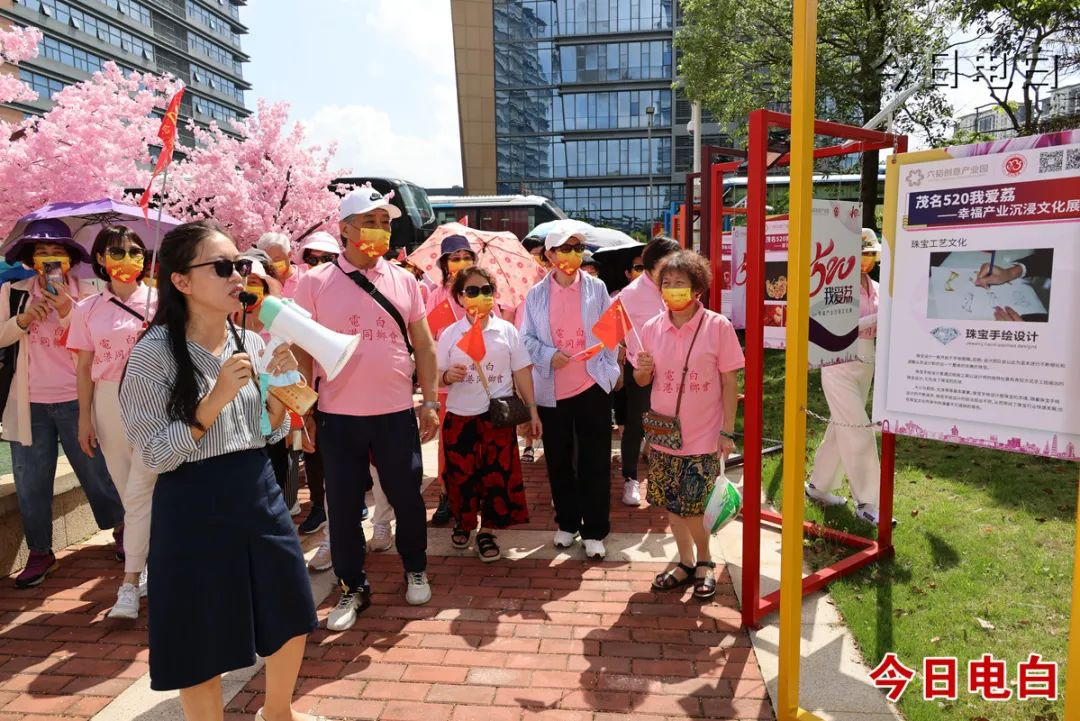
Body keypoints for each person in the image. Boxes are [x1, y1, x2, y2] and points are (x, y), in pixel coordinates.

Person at [118, 220, 317, 719]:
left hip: (257, 488)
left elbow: (265, 432)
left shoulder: (244, 339)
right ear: (181, 280)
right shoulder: (150, 355)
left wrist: (277, 402)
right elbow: (155, 455)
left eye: (241, 265)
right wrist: (213, 400)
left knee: (290, 606)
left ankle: (278, 712)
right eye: (223, 266)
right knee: (197, 635)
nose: (238, 276)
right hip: (191, 500)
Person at [293, 182, 440, 631]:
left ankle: (415, 567)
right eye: (369, 222)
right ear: (345, 229)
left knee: (406, 497)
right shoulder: (314, 282)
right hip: (338, 416)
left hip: (395, 412)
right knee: (341, 506)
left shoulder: (404, 280)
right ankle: (352, 585)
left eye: (385, 223)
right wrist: (304, 411)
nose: (380, 230)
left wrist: (430, 401)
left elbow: (424, 345)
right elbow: (300, 350)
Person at [1, 219, 124, 588]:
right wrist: (22, 320)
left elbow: (101, 340)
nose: (50, 259)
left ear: (70, 259)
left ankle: (122, 529)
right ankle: (40, 552)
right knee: (30, 482)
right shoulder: (13, 292)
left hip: (76, 399)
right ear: (30, 259)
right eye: (42, 253)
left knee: (97, 472)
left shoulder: (89, 293)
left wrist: (70, 311)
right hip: (29, 402)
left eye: (57, 252)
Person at [635, 250, 743, 600]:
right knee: (672, 503)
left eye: (679, 283)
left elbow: (729, 381)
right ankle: (684, 562)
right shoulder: (652, 328)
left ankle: (705, 561)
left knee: (696, 506)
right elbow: (641, 381)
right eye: (666, 283)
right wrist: (642, 371)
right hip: (664, 435)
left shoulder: (717, 326)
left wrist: (727, 430)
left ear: (697, 288)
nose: (671, 289)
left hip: (703, 434)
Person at [68, 226, 157, 618]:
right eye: (117, 252)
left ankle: (132, 579)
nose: (127, 259)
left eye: (135, 251)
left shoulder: (161, 302)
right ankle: (144, 568)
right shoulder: (86, 308)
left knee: (148, 489)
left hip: (155, 400)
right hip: (108, 400)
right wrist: (84, 418)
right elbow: (83, 367)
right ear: (101, 259)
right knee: (127, 490)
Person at [521, 224, 620, 560]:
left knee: (595, 460)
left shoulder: (596, 287)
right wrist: (549, 355)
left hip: (592, 384)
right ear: (549, 255)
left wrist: (609, 370)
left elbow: (611, 331)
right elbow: (525, 339)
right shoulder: (536, 295)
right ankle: (567, 523)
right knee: (559, 460)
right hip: (552, 389)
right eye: (565, 248)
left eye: (578, 248)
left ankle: (595, 530)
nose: (573, 255)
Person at [438, 267, 539, 561]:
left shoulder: (506, 331)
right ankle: (464, 522)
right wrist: (446, 377)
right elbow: (433, 375)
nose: (480, 296)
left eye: (486, 290)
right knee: (461, 476)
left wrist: (532, 411)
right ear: (460, 297)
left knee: (496, 476)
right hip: (460, 417)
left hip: (498, 418)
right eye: (472, 291)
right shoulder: (450, 334)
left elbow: (521, 371)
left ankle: (488, 531)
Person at [806, 229, 894, 526]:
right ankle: (869, 501)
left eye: (872, 255)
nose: (867, 260)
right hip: (838, 360)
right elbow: (837, 326)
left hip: (867, 359)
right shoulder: (836, 285)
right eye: (863, 254)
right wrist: (876, 319)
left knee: (841, 425)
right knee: (858, 428)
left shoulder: (878, 287)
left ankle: (818, 485)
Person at [616, 237, 680, 506]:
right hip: (641, 369)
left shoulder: (676, 287)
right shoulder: (630, 294)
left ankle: (665, 479)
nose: (673, 270)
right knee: (636, 425)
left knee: (668, 423)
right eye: (668, 264)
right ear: (653, 265)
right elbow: (613, 333)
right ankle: (630, 479)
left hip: (673, 369)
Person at [425, 234, 477, 526]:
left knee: (476, 441)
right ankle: (446, 494)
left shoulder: (481, 291)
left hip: (479, 382)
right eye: (455, 258)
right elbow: (428, 339)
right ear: (444, 263)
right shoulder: (436, 295)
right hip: (447, 383)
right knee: (448, 444)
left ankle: (473, 494)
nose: (461, 262)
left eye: (466, 257)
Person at [292, 232, 340, 538]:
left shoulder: (351, 289)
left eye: (327, 258)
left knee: (344, 453)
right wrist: (303, 401)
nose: (319, 263)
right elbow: (298, 348)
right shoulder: (300, 289)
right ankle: (319, 506)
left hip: (346, 387)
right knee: (312, 449)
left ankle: (347, 503)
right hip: (311, 386)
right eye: (312, 258)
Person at [256, 231, 303, 298]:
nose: (272, 265)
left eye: (276, 259)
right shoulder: (260, 281)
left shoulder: (305, 280)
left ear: (289, 255)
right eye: (267, 261)